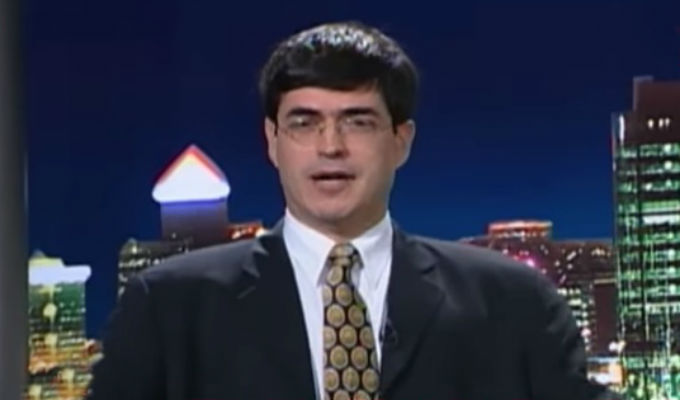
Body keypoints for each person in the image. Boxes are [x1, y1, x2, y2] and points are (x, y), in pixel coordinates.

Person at [87, 21, 620, 400]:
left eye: (357, 122)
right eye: (304, 123)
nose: (330, 146)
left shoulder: (511, 302)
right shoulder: (170, 306)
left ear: (401, 140)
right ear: (272, 141)